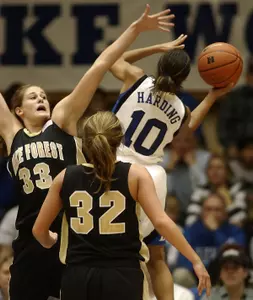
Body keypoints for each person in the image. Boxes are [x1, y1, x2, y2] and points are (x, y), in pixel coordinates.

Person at [0, 5, 173, 300]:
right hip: (29, 240)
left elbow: (100, 65)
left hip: (70, 236)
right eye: (33, 96)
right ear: (18, 109)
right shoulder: (12, 133)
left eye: (44, 94)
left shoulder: (63, 120)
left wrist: (135, 30)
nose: (41, 97)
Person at [33, 111, 211, 300]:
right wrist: (196, 260)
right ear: (120, 140)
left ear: (84, 141)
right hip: (123, 276)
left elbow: (39, 230)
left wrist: (50, 240)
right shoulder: (136, 175)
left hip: (78, 275)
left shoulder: (65, 176)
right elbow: (161, 222)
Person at [110, 35, 234, 299]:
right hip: (152, 178)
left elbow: (112, 57)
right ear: (184, 78)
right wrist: (212, 96)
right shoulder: (181, 109)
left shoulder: (136, 79)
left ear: (160, 64)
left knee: (108, 248)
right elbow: (189, 128)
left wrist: (156, 45)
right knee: (157, 257)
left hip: (114, 168)